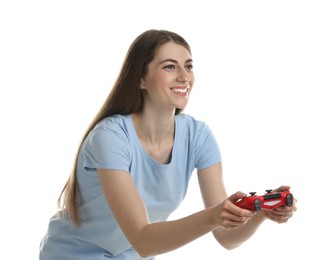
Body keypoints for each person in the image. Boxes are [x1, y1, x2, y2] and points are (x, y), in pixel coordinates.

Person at [39, 29, 297, 260]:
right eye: (170, 67)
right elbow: (144, 240)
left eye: (189, 66)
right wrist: (212, 216)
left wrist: (261, 210)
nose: (184, 77)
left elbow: (226, 237)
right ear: (140, 79)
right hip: (74, 254)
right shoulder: (110, 137)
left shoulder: (198, 135)